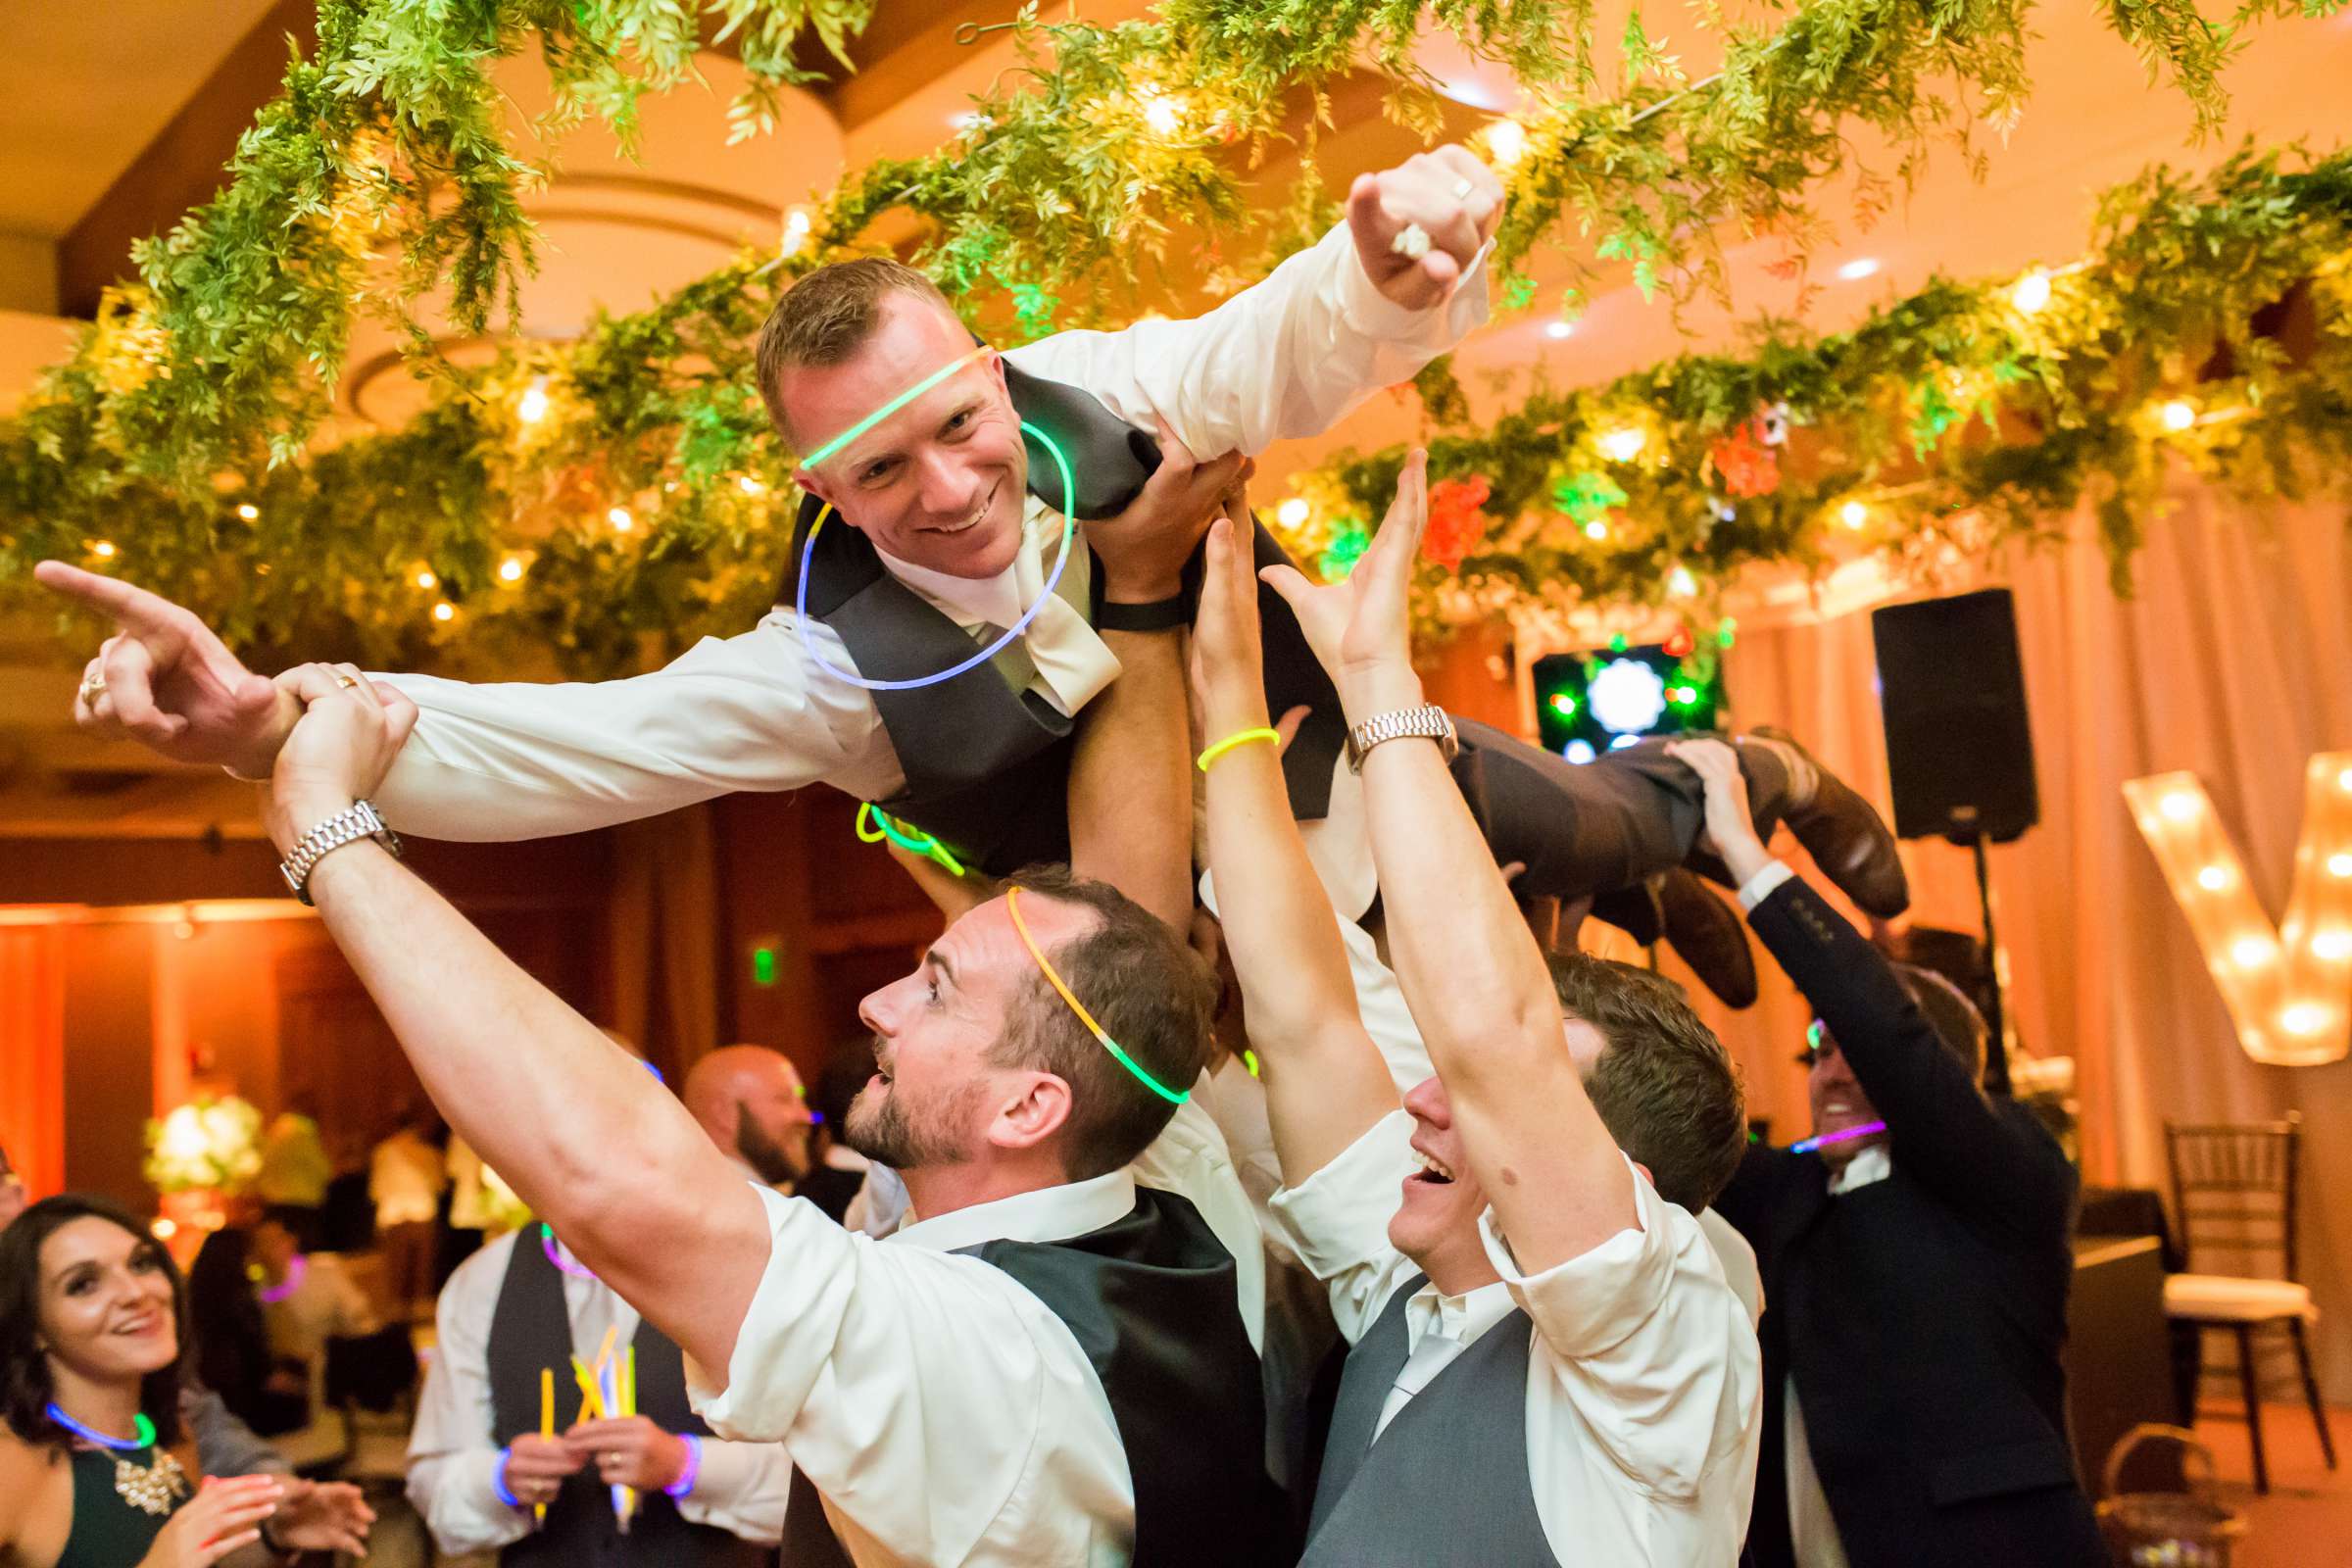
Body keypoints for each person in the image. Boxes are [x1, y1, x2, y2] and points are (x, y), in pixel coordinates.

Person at [38, 144, 1902, 1004]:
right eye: (878, 472)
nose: (947, 490)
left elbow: (1286, 342)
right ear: (826, 495)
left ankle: (1740, 784)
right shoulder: (837, 672)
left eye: (958, 429)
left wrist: (1390, 276)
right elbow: (574, 745)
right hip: (1220, 975)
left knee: (1591, 823)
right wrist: (270, 720)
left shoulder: (1103, 396)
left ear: (993, 375)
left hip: (1348, 781)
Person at [266, 513, 1273, 1565]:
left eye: (934, 990)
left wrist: (326, 832)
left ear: (1028, 1106)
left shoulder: (982, 1357)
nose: (876, 1007)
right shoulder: (1169, 1196)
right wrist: (1143, 598)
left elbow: (620, 1179)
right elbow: (1125, 928)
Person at [1189, 453, 1762, 1564]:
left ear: (1625, 1195)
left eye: (1482, 1105)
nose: (1425, 1104)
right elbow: (1300, 1006)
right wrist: (1228, 703)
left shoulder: (1659, 1354)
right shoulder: (1417, 1284)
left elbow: (1498, 1039)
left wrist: (1380, 687)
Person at [1672, 736, 2105, 1568]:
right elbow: (1645, 1117)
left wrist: (1744, 854)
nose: (1828, 1073)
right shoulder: (1793, 1190)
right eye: (1817, 1053)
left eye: (1850, 1052)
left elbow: (1889, 1031)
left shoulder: (2009, 1173)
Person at [407, 1085, 794, 1565]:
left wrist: (685, 1464)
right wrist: (501, 1479)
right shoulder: (481, 1282)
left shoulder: (734, 1263)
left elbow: (811, 1479)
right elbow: (434, 1488)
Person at [0, 1194, 374, 1568]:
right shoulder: (15, 1463)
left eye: (141, 1263)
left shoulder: (168, 1429)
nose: (136, 1292)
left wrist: (271, 1535)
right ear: (33, 1328)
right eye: (83, 1284)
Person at [682, 1044, 815, 1194]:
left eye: (802, 1098)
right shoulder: (724, 1206)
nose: (807, 1117)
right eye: (783, 1099)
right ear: (723, 1114)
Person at [369, 1106, 446, 1321]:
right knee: (422, 1269)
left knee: (396, 1271)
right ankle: (419, 1316)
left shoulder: (383, 1152)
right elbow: (439, 1184)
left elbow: (376, 1189)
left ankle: (396, 1318)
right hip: (422, 1212)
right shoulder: (427, 1153)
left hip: (393, 1215)